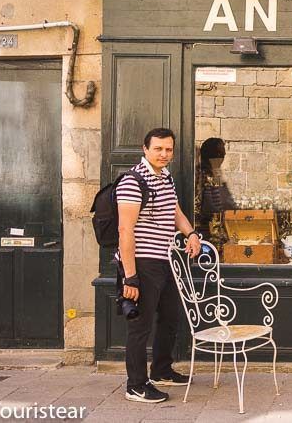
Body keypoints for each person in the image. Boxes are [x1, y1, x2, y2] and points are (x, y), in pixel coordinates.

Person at [117, 127, 201, 403]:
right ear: (145, 149)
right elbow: (125, 231)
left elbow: (174, 211)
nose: (164, 154)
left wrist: (190, 233)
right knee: (140, 326)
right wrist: (130, 277)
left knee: (170, 317)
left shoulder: (165, 177)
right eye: (158, 149)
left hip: (165, 259)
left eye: (168, 149)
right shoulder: (133, 181)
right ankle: (136, 385)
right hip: (142, 262)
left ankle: (162, 370)